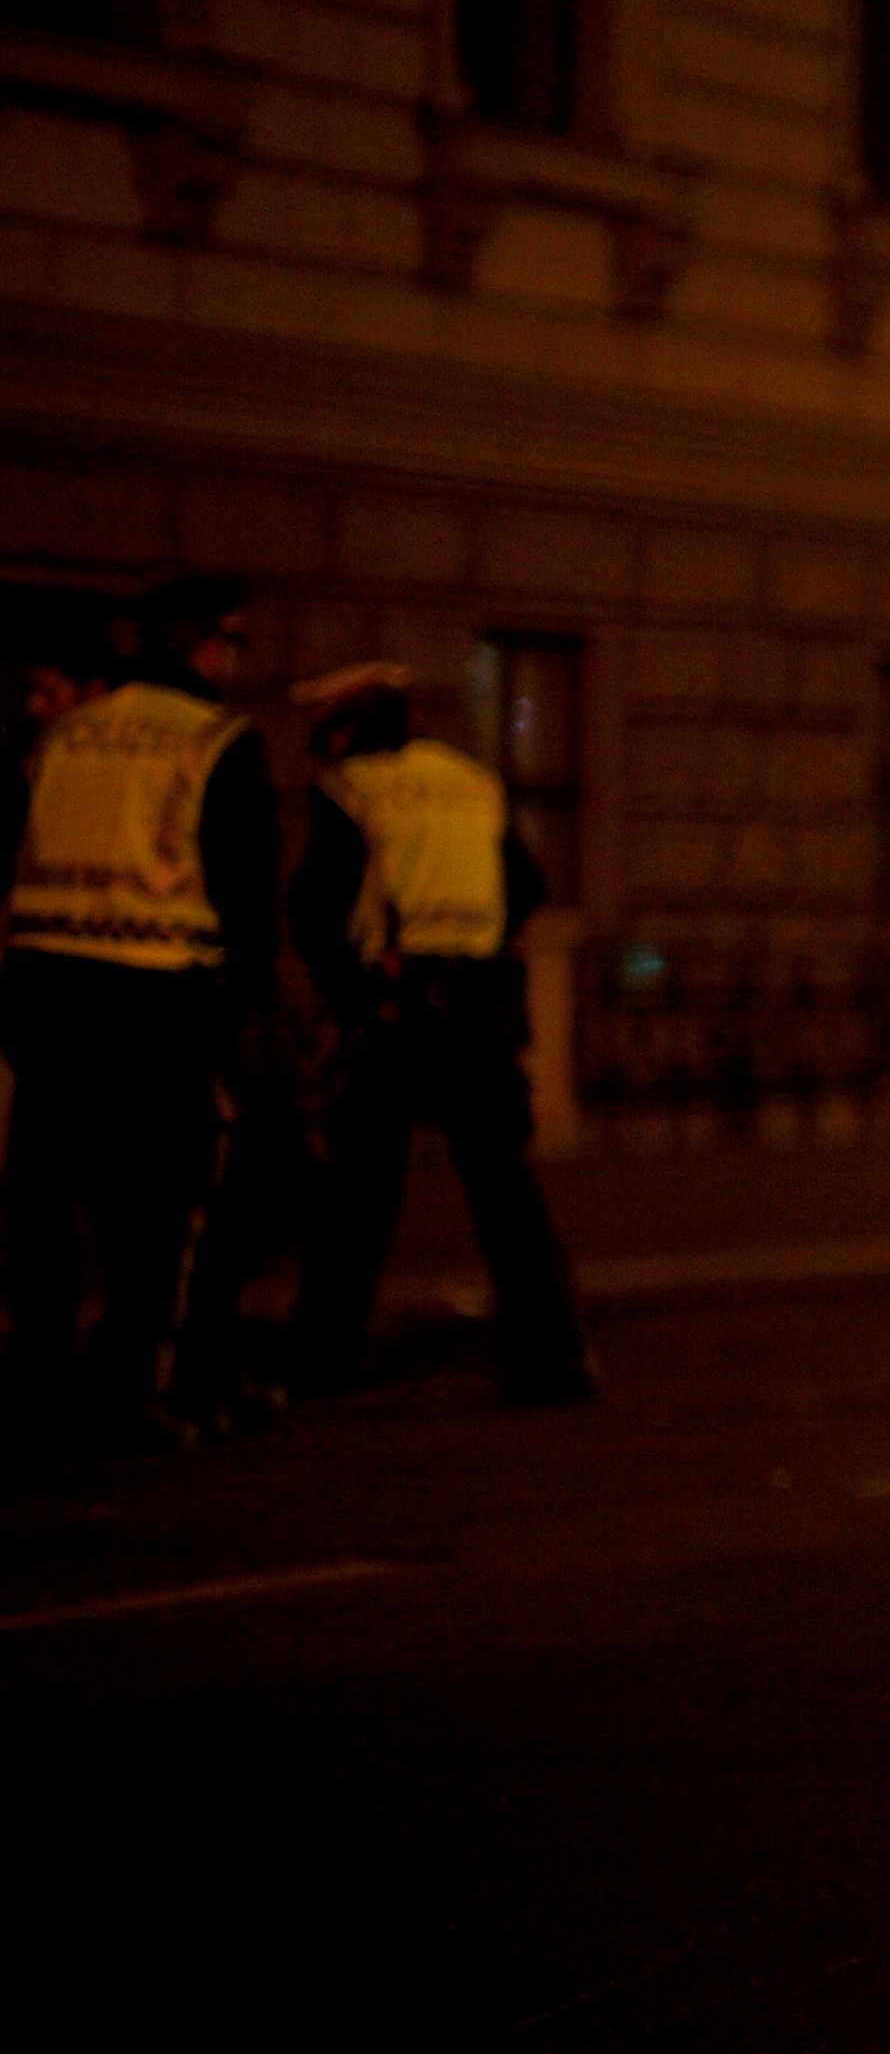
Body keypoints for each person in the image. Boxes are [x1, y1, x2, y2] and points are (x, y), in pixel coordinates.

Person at [2, 575, 283, 1456]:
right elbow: (246, 894)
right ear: (203, 644)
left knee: (43, 1205)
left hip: (47, 992)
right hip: (161, 1001)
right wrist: (248, 1008)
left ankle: (36, 1384)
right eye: (230, 643)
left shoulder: (63, 735)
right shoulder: (215, 741)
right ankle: (129, 1393)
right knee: (157, 1213)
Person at [281, 663, 593, 1408]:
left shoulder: (353, 790)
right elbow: (527, 883)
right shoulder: (471, 781)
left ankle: (318, 1365)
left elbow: (315, 913)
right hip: (478, 1008)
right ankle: (556, 1362)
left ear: (345, 729)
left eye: (325, 733)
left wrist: (352, 1000)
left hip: (398, 1009)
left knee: (358, 1198)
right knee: (506, 1195)